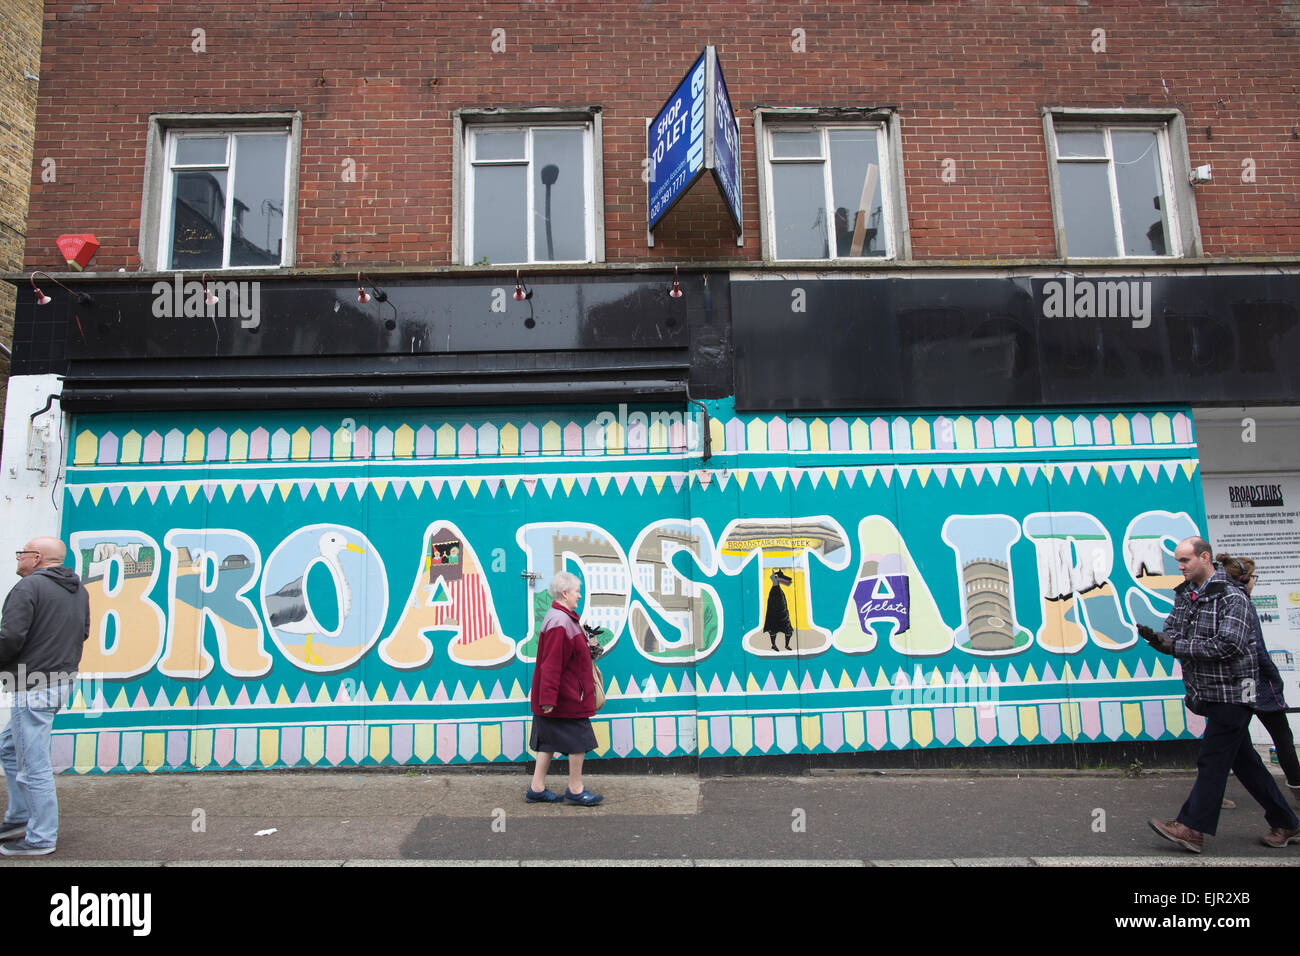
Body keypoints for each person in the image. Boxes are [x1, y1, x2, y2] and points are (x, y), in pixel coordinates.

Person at [1140, 536, 1299, 852]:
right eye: (1178, 562)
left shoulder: (1233, 597)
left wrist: (1177, 646)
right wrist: (1160, 639)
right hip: (1211, 691)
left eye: (1185, 561)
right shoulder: (1188, 595)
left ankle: (1191, 827)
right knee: (1246, 763)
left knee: (1212, 759)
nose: (1180, 567)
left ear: (1204, 557)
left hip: (1237, 691)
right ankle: (1287, 822)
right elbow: (1175, 629)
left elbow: (1231, 645)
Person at [0, 536, 91, 856]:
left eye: (21, 553)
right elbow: (83, 632)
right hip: (60, 680)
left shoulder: (27, 588)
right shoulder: (79, 590)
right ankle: (19, 817)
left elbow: (9, 636)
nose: (18, 558)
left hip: (33, 685)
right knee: (9, 748)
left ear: (36, 557)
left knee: (32, 765)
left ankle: (40, 838)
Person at [1217, 553, 1300, 790]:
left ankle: (1214, 789)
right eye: (1253, 576)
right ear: (1243, 579)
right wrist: (1274, 678)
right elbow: (1258, 650)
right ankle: (1296, 785)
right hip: (1258, 683)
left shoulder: (1221, 600)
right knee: (1282, 736)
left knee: (1230, 740)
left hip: (1236, 683)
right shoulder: (1242, 602)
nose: (1254, 581)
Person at [526, 571, 602, 806]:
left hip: (559, 696)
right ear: (564, 592)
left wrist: (589, 646)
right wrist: (548, 698)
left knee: (547, 742)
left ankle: (536, 788)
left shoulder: (562, 618)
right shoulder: (560, 622)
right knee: (580, 741)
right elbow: (551, 664)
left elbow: (569, 657)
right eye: (577, 591)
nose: (579, 595)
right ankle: (575, 788)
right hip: (566, 697)